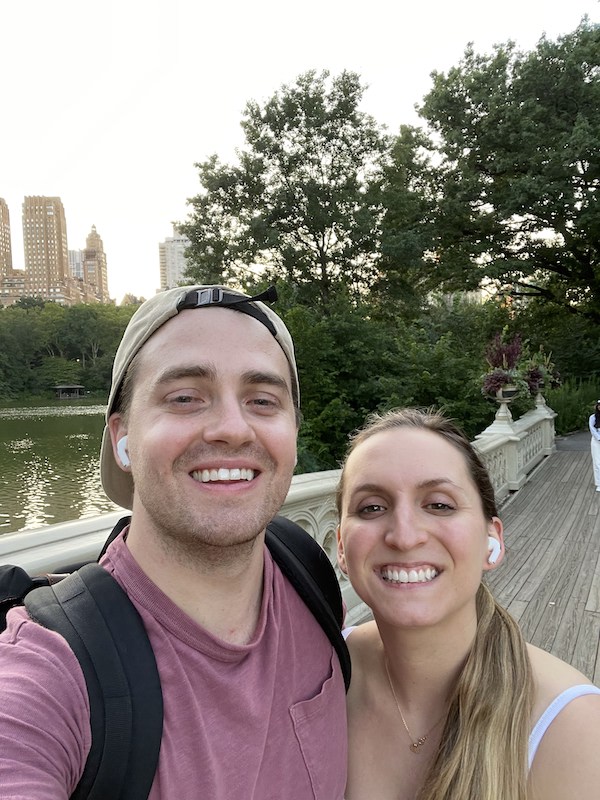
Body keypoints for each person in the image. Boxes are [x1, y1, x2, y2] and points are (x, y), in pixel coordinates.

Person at [0, 285, 347, 799]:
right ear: (122, 438)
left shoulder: (306, 571)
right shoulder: (51, 669)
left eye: (262, 400)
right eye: (184, 397)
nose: (233, 427)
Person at [336, 407, 600, 800]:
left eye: (439, 504)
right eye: (372, 507)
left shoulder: (571, 728)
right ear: (341, 547)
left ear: (492, 541)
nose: (405, 536)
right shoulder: (322, 670)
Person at [589, 400, 600, 492]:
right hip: (596, 442)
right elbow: (592, 429)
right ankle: (599, 483)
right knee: (597, 463)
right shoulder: (592, 417)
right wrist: (599, 438)